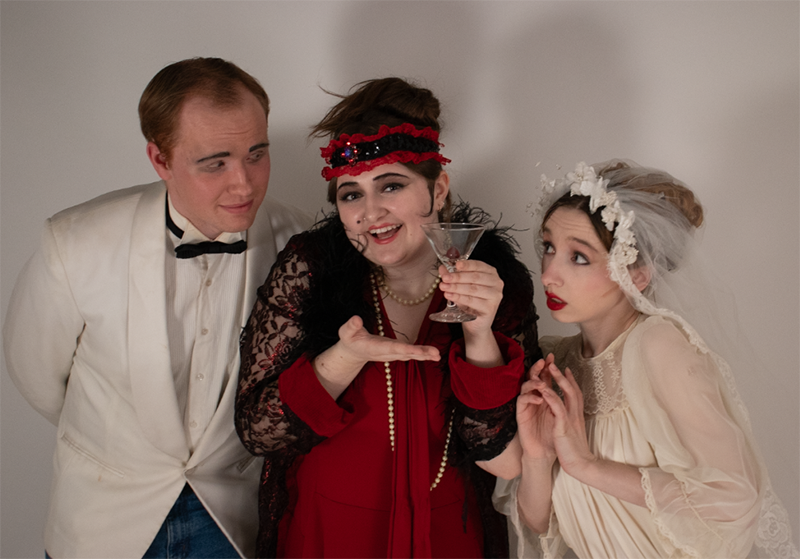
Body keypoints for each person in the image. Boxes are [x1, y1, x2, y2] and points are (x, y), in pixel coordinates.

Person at [3, 57, 313, 559]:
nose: (244, 183)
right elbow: (36, 375)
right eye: (215, 162)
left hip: (235, 521)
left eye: (256, 154)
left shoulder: (302, 243)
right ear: (160, 159)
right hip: (104, 521)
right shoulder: (74, 240)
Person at [235, 77, 541, 559]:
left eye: (391, 186)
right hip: (327, 534)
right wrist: (344, 358)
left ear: (438, 189)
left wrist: (480, 334)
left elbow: (504, 458)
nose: (370, 212)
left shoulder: (496, 281)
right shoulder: (310, 267)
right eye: (350, 194)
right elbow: (258, 431)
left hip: (448, 536)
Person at [493, 161, 799, 558]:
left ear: (637, 275)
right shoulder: (557, 360)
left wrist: (587, 465)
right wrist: (538, 457)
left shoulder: (657, 345)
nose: (549, 273)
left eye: (579, 256)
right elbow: (538, 522)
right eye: (549, 247)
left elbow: (732, 498)